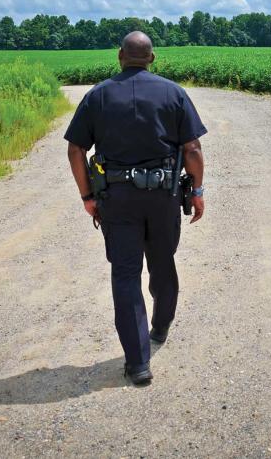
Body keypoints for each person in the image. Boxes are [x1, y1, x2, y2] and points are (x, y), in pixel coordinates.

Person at [64, 31, 207, 385]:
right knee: (162, 261)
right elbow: (191, 148)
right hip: (163, 198)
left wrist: (87, 197)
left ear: (119, 56)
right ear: (152, 58)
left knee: (125, 274)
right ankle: (161, 325)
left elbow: (75, 149)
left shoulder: (97, 96)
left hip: (117, 200)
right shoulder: (173, 93)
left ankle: (138, 363)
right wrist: (198, 190)